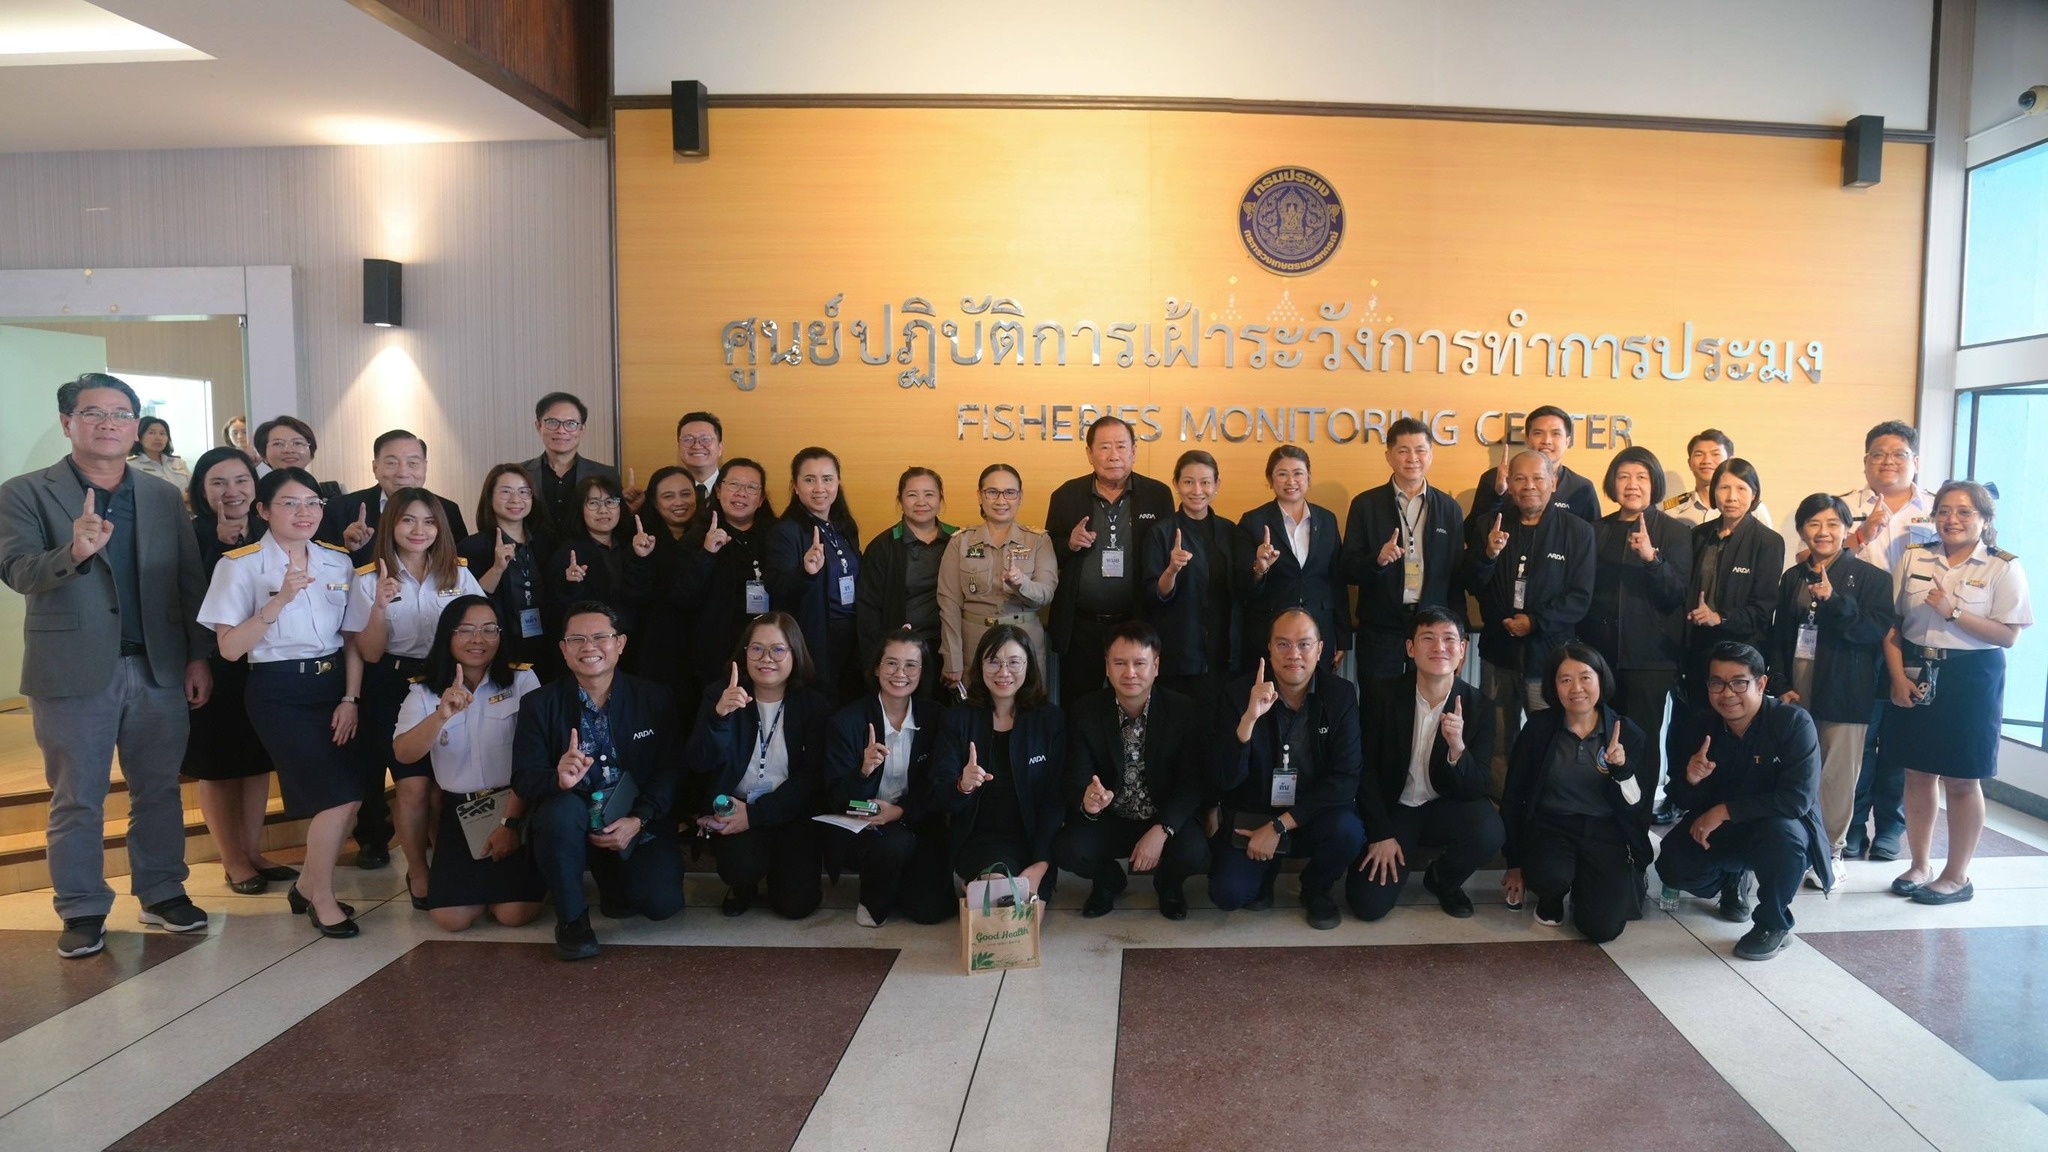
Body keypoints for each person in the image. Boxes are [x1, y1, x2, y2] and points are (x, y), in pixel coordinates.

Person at [0, 373, 215, 956]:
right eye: (93, 413)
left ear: (135, 426)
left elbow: (189, 582)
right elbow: (18, 572)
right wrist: (73, 551)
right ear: (67, 422)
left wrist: (198, 655)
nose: (108, 424)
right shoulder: (25, 492)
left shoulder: (162, 496)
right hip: (70, 673)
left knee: (159, 790)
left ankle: (163, 891)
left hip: (157, 668)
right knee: (77, 797)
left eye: (121, 414)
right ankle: (82, 907)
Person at [197, 466, 364, 938]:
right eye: (290, 503)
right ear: (264, 510)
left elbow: (352, 638)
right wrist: (278, 600)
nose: (304, 512)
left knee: (352, 795)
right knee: (336, 796)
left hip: (335, 688)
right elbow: (230, 649)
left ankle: (306, 886)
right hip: (279, 691)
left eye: (312, 503)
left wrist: (351, 697)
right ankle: (322, 898)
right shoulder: (240, 565)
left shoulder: (337, 560)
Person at [1881, 482, 2032, 906]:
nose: (1952, 519)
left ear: (1985, 519)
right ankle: (1919, 864)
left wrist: (1955, 612)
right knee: (1917, 772)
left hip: (1972, 676)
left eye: (1965, 512)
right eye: (1944, 511)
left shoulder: (2002, 566)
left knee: (1963, 778)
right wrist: (1897, 677)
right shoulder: (1914, 556)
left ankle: (1956, 875)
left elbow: (2009, 635)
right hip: (1916, 667)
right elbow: (1892, 625)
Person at [512, 600, 684, 960]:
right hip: (572, 822)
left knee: (660, 903)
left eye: (600, 637)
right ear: (563, 649)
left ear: (620, 643)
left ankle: (613, 879)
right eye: (577, 639)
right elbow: (524, 779)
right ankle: (572, 921)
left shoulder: (654, 698)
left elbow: (670, 770)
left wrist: (639, 819)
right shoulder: (538, 704)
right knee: (558, 812)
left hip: (633, 820)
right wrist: (557, 779)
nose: (588, 647)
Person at [342, 486, 485, 906]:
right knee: (413, 786)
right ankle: (418, 871)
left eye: (428, 521)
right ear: (392, 525)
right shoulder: (368, 578)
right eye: (408, 520)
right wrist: (379, 607)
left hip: (448, 683)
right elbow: (370, 653)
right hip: (393, 685)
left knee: (445, 786)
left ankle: (450, 863)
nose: (419, 530)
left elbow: (481, 629)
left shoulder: (458, 574)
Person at [1656, 642, 1830, 961]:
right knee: (1673, 865)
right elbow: (1680, 798)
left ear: (1761, 684)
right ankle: (1732, 878)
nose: (1727, 693)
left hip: (1775, 827)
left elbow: (1797, 800)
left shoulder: (1793, 723)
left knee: (1785, 837)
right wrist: (1691, 778)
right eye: (1717, 683)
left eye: (1739, 683)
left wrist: (1725, 811)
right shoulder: (1701, 725)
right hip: (1722, 828)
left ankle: (1773, 924)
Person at [390, 597, 545, 932]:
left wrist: (510, 823)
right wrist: (441, 716)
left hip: (515, 806)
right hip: (462, 813)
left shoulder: (522, 680)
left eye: (489, 629)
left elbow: (536, 755)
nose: (479, 639)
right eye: (466, 630)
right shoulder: (424, 691)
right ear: (448, 635)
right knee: (452, 919)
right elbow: (404, 753)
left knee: (514, 914)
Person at [1209, 609, 1366, 930]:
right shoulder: (1238, 694)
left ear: (1320, 650)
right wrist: (1248, 720)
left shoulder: (1340, 695)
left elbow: (1345, 780)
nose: (1294, 654)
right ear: (1269, 648)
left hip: (1310, 814)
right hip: (1253, 816)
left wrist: (1279, 827)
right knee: (1228, 894)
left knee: (1349, 832)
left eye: (1304, 644)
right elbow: (1225, 779)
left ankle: (1316, 888)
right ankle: (1265, 871)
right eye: (1283, 644)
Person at [1768, 494, 1894, 881]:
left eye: (1832, 524)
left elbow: (1871, 632)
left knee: (1837, 775)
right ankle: (1796, 843)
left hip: (1845, 689)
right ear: (1801, 530)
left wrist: (1833, 599)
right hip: (1797, 686)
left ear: (1847, 529)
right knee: (1795, 769)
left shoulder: (1873, 578)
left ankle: (1832, 852)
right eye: (1813, 524)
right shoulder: (1793, 576)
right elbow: (1780, 635)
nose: (1823, 532)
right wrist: (1780, 682)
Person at [182, 447, 288, 895]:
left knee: (255, 762)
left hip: (262, 663)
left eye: (241, 480)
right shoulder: (190, 535)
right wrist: (220, 546)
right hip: (213, 665)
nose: (232, 491)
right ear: (201, 489)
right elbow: (187, 603)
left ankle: (253, 851)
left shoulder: (269, 530)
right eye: (218, 482)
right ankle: (232, 859)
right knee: (219, 765)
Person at [1458, 449, 1596, 795]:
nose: (1529, 486)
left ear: (1553, 483)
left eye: (1537, 478)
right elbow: (1470, 583)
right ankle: (1499, 806)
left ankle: (1547, 805)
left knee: (1551, 737)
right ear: (1509, 483)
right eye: (1519, 479)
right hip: (1498, 653)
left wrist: (1534, 622)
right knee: (1497, 738)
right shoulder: (1489, 524)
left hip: (1549, 656)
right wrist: (1488, 555)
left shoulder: (1577, 531)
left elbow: (1579, 598)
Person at [1350, 607, 1501, 921]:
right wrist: (1380, 833)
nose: (1439, 647)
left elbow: (1477, 787)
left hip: (1444, 808)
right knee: (1368, 906)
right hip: (1396, 810)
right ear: (1410, 648)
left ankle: (1443, 879)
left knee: (1489, 831)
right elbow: (1364, 770)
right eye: (1428, 638)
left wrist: (1458, 749)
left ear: (1462, 649)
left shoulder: (1479, 707)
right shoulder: (1381, 695)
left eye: (1449, 639)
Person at [1052, 621, 1210, 920]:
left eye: (1139, 663)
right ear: (1107, 666)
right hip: (1111, 817)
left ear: (1156, 666)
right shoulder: (1086, 710)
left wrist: (1163, 829)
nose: (1130, 673)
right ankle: (1108, 879)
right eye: (1120, 663)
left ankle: (1169, 884)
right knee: (1067, 849)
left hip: (1161, 816)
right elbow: (1075, 774)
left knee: (1195, 852)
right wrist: (1088, 799)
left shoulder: (1183, 710)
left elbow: (1192, 783)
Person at [1499, 644, 1652, 942]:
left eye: (1585, 677)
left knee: (1602, 929)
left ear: (1601, 680)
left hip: (1605, 831)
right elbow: (1514, 795)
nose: (1576, 688)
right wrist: (1513, 863)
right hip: (1551, 826)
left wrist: (1622, 769)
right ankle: (1551, 898)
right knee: (1550, 876)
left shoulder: (1628, 732)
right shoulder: (1539, 729)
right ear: (1553, 686)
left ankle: (1585, 887)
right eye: (1565, 680)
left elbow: (1637, 806)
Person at [684, 612, 829, 918]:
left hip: (791, 810)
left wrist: (758, 814)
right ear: (744, 652)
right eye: (757, 648)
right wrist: (719, 718)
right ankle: (743, 886)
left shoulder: (813, 704)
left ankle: (779, 870)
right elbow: (698, 762)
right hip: (736, 807)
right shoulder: (721, 695)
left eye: (778, 649)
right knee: (741, 867)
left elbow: (812, 777)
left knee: (796, 905)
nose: (766, 658)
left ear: (795, 654)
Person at [1841, 421, 1940, 860]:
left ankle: (1891, 828)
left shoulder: (1939, 508)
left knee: (1902, 737)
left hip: (1915, 635)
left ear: (1915, 461)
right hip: (1857, 635)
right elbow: (1814, 557)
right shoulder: (1845, 506)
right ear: (1865, 461)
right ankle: (1852, 826)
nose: (1888, 461)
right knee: (1859, 737)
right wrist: (1861, 533)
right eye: (1878, 454)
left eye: (1899, 453)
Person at [1582, 446, 1692, 825]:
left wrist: (1652, 559)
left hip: (1650, 660)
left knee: (1640, 744)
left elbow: (1676, 594)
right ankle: (1602, 817)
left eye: (1641, 477)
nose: (1632, 484)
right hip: (1599, 659)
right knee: (1600, 739)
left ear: (1654, 484)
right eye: (1624, 476)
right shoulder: (1595, 530)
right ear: (1612, 484)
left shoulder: (1675, 532)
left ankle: (1637, 821)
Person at [823, 632, 956, 926]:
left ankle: (899, 881)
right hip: (863, 824)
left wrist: (900, 811)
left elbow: (936, 789)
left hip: (916, 820)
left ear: (922, 671)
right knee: (894, 844)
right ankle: (872, 901)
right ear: (876, 668)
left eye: (911, 665)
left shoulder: (936, 717)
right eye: (891, 663)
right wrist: (862, 773)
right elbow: (835, 797)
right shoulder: (847, 722)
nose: (900, 673)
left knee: (931, 911)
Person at [1044, 416, 1175, 707]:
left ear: (1134, 451)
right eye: (1104, 447)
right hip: (1082, 626)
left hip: (1136, 621)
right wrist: (1068, 544)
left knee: (1135, 703)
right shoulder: (1065, 495)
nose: (1113, 455)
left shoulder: (1157, 495)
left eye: (1121, 446)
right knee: (1079, 706)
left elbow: (1165, 555)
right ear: (1089, 453)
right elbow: (1047, 553)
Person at [931, 624, 1065, 896]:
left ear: (1029, 666)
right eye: (993, 662)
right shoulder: (957, 719)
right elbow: (940, 795)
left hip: (1033, 839)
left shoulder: (1049, 719)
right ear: (980, 665)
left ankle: (984, 889)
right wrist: (962, 786)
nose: (1003, 672)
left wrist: (1041, 863)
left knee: (1026, 910)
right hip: (980, 839)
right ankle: (977, 884)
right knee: (998, 897)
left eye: (1014, 662)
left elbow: (1055, 799)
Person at [1340, 418, 1465, 679]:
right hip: (1381, 629)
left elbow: (1455, 578)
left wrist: (1459, 635)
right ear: (1389, 456)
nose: (1412, 458)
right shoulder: (1365, 505)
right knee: (1378, 701)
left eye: (1420, 450)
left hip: (1433, 629)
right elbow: (1348, 569)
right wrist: (1377, 561)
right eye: (1403, 450)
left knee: (1429, 700)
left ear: (1431, 454)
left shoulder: (1448, 509)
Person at [937, 464, 1057, 695]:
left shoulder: (1038, 541)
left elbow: (1045, 594)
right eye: (992, 492)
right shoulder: (960, 542)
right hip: (974, 642)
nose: (1001, 500)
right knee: (976, 709)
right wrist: (952, 657)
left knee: (1028, 709)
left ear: (1020, 497)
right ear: (979, 496)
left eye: (1010, 492)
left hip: (1025, 641)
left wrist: (1021, 584)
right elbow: (948, 604)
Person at [1235, 446, 1347, 672]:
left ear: (1309, 478)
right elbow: (1241, 588)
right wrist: (1260, 568)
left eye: (1298, 473)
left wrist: (1342, 637)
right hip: (1271, 633)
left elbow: (1337, 581)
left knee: (1319, 691)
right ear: (1270, 479)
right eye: (1282, 474)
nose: (1291, 481)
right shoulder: (1253, 522)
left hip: (1318, 632)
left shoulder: (1326, 520)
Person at [1140, 450, 1237, 713]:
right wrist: (1171, 570)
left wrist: (1259, 568)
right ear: (1176, 484)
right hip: (1178, 654)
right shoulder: (1161, 533)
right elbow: (1154, 595)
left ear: (1216, 484)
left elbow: (1240, 589)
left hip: (1223, 655)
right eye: (1188, 482)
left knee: (1218, 726)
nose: (1197, 490)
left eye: (1205, 482)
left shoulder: (1230, 531)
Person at [674, 458, 776, 707]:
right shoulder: (697, 538)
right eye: (733, 485)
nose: (741, 493)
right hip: (715, 652)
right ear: (718, 491)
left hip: (767, 650)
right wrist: (707, 553)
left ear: (761, 499)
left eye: (751, 487)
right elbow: (682, 596)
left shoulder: (776, 538)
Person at [765, 447, 864, 703]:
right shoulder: (786, 532)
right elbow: (777, 588)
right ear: (795, 486)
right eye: (809, 480)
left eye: (827, 479)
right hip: (815, 640)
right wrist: (805, 573)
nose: (820, 488)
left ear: (838, 483)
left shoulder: (844, 527)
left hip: (852, 638)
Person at [1681, 458, 1784, 698]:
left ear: (1754, 494)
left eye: (1741, 488)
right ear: (1714, 492)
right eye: (1724, 488)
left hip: (1743, 653)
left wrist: (1719, 617)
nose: (1731, 497)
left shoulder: (1768, 541)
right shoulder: (1698, 536)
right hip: (1698, 649)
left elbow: (1763, 608)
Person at [855, 467, 954, 673]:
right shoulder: (882, 547)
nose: (921, 502)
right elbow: (868, 612)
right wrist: (876, 662)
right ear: (900, 500)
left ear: (940, 499)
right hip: (902, 651)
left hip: (950, 648)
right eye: (912, 495)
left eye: (929, 494)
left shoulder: (958, 540)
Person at [458, 464, 555, 672]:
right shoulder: (472, 547)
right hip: (500, 649)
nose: (515, 499)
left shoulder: (545, 543)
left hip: (546, 646)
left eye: (523, 492)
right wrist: (497, 569)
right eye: (505, 492)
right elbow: (468, 603)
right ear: (489, 497)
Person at [323, 430, 469, 565]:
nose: (403, 473)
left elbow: (457, 565)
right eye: (392, 463)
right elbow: (320, 566)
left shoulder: (448, 510)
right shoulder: (340, 508)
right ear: (375, 467)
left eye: (413, 463)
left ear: (425, 467)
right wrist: (348, 548)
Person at [543, 474, 654, 637]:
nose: (603, 510)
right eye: (593, 503)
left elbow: (641, 598)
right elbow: (557, 612)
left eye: (610, 502)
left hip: (634, 639)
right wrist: (571, 585)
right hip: (592, 641)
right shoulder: (568, 554)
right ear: (580, 508)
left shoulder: (631, 545)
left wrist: (640, 558)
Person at [628, 466, 702, 698]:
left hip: (704, 644)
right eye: (668, 496)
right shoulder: (641, 538)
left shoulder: (710, 535)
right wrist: (640, 558)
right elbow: (636, 594)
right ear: (654, 502)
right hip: (657, 647)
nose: (679, 502)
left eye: (686, 494)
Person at [1468, 405, 1600, 528]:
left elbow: (1592, 537)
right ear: (1527, 439)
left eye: (1555, 433)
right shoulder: (1494, 478)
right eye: (1538, 433)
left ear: (1567, 441)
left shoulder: (1582, 488)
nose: (1546, 441)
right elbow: (1472, 533)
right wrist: (1497, 495)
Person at [522, 391, 619, 536]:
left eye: (571, 424)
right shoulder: (519, 473)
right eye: (552, 422)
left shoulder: (606, 474)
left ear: (582, 429)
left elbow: (618, 526)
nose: (561, 430)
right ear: (538, 426)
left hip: (587, 550)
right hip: (532, 551)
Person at [1662, 429, 1774, 531]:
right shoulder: (1673, 508)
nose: (1706, 461)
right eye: (1699, 454)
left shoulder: (1754, 508)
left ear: (1730, 461)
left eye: (1715, 454)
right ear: (1690, 463)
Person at [253, 416, 346, 501]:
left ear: (311, 452)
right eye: (278, 444)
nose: (289, 450)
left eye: (298, 443)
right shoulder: (254, 495)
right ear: (263, 455)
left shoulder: (332, 493)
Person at [127, 416, 190, 493]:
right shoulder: (131, 465)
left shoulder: (178, 463)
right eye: (151, 433)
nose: (158, 438)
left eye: (162, 433)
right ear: (139, 436)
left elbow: (194, 488)